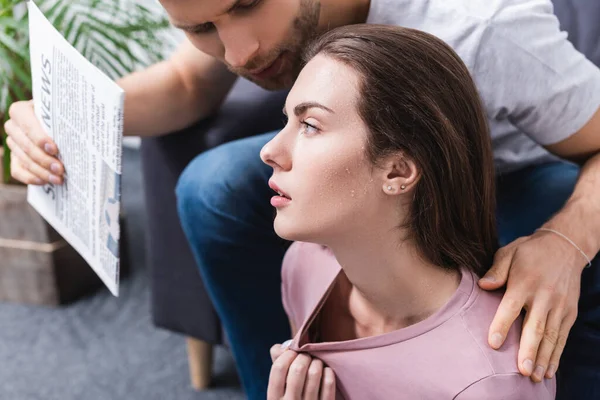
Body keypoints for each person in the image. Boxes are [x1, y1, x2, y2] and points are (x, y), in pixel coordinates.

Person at [4, 0, 600, 398]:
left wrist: (568, 240)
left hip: (522, 175)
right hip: (375, 159)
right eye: (203, 28)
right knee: (214, 190)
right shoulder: (227, 21)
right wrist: (64, 119)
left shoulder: (484, 26)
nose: (238, 54)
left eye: (245, 4)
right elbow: (188, 84)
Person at [262, 24, 556, 399]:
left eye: (310, 125)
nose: (269, 150)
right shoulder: (304, 264)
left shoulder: (490, 384)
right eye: (286, 121)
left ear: (398, 171)